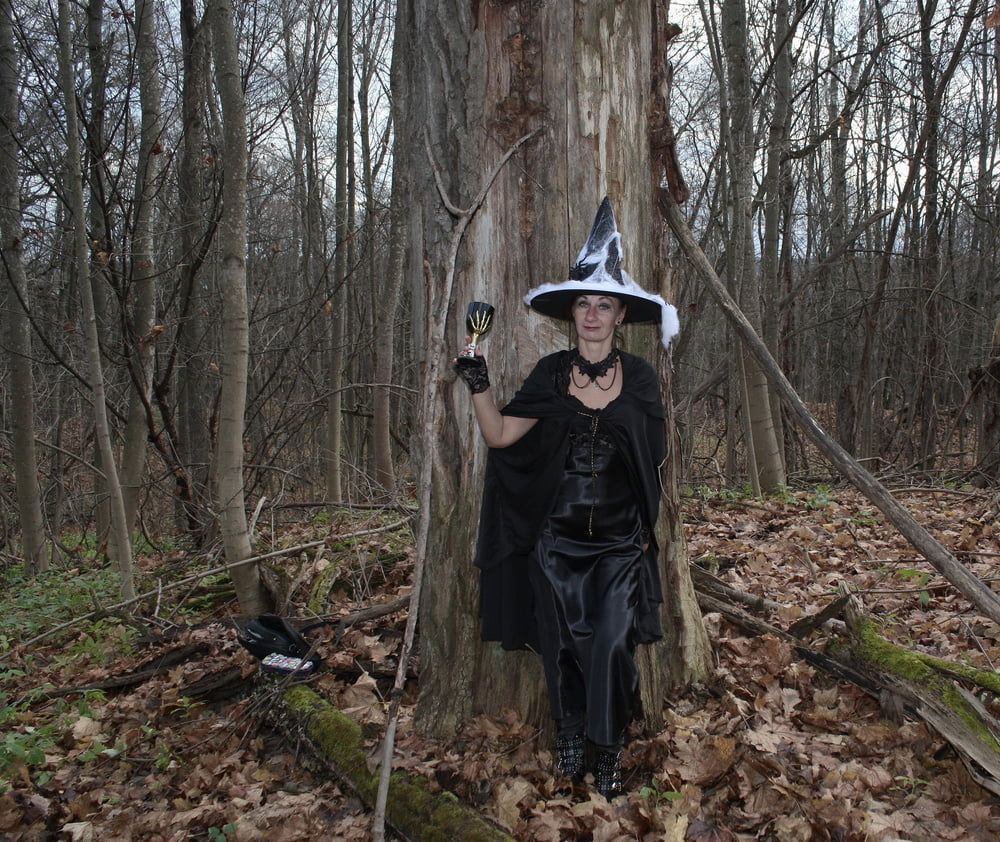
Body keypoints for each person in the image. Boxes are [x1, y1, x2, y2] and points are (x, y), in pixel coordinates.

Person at [455, 197, 680, 799]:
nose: (592, 314)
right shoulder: (551, 375)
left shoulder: (640, 379)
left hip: (618, 544)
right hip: (555, 543)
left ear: (620, 313)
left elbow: (650, 460)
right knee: (558, 649)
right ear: (572, 311)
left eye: (604, 304)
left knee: (609, 644)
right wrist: (478, 383)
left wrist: (640, 529)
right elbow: (501, 434)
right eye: (583, 302)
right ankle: (572, 735)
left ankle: (608, 748)